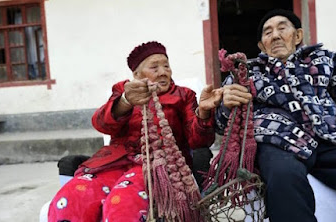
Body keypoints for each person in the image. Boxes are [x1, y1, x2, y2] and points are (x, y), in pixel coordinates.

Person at [215, 9, 336, 222]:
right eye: (268, 32)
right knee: (283, 178)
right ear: (262, 46)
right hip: (278, 143)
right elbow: (223, 122)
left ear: (298, 36)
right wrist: (225, 106)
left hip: (330, 138)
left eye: (282, 28)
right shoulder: (247, 73)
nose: (276, 35)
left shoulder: (325, 60)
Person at [48, 41, 222, 222]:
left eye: (166, 66)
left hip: (158, 167)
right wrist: (125, 101)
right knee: (73, 197)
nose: (163, 72)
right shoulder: (123, 91)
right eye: (154, 67)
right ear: (136, 74)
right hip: (114, 163)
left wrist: (203, 112)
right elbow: (101, 124)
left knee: (122, 203)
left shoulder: (184, 95)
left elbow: (198, 141)